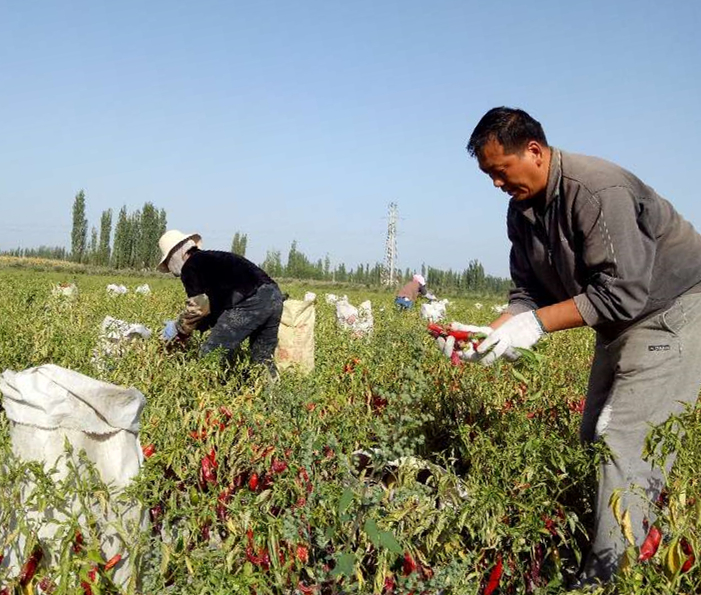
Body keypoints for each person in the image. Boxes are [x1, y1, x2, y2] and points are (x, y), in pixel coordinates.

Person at [440, 107, 701, 586]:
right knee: (592, 437)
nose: (496, 184)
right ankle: (623, 539)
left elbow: (623, 293)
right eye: (488, 175)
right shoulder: (522, 210)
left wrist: (536, 326)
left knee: (623, 441)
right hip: (620, 320)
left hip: (673, 311)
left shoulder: (598, 190)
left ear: (534, 152)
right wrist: (490, 333)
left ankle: (607, 577)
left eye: (500, 171)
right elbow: (527, 293)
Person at [157, 229, 284, 375]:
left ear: (176, 253)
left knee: (211, 354)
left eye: (168, 261)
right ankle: (273, 395)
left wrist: (179, 331)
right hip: (274, 297)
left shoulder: (191, 266)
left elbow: (198, 308)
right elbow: (214, 306)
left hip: (249, 302)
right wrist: (202, 325)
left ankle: (220, 391)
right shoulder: (214, 258)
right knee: (262, 359)